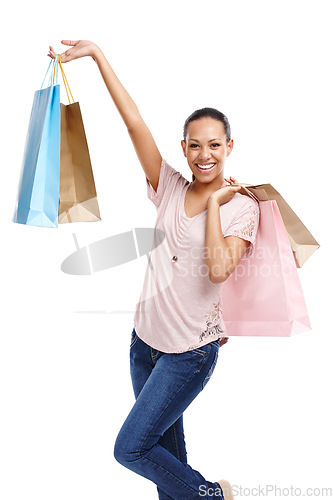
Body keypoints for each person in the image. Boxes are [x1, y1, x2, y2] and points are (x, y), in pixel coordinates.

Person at [48, 40, 260, 499]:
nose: (205, 155)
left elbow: (221, 269)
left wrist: (216, 205)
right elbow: (133, 122)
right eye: (196, 146)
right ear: (183, 148)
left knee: (132, 449)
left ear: (229, 147)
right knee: (166, 463)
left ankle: (214, 495)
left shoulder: (242, 206)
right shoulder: (167, 185)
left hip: (189, 354)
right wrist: (97, 56)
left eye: (215, 145)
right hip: (144, 343)